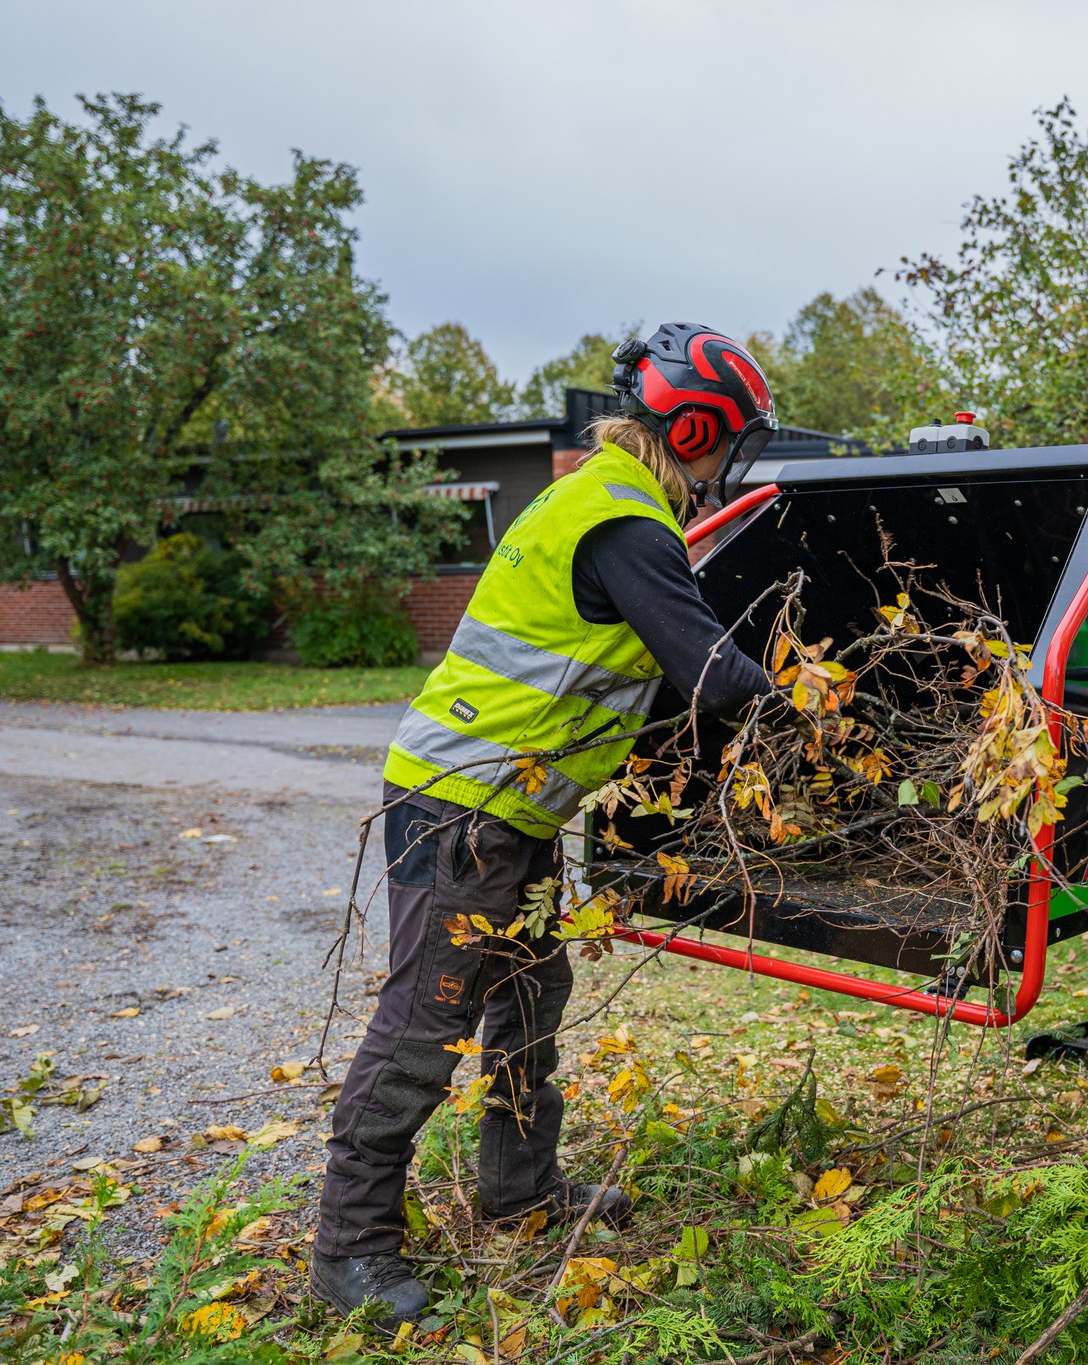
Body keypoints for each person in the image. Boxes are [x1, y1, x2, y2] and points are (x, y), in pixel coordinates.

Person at [311, 324, 780, 1328]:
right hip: (462, 805)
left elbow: (636, 684)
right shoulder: (626, 523)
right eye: (725, 439)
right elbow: (709, 674)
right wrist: (817, 706)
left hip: (498, 805)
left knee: (531, 988)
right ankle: (348, 1254)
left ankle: (518, 1187)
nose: (724, 460)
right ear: (694, 425)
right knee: (422, 1025)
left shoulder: (599, 499)